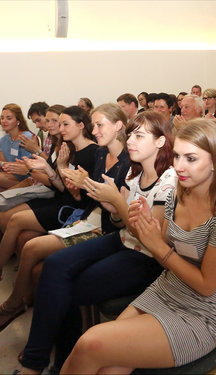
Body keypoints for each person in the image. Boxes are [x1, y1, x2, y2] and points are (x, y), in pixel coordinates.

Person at [60, 119, 216, 373]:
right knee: (105, 366)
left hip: (201, 314)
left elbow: (206, 285)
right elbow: (168, 248)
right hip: (166, 290)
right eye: (177, 156)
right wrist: (146, 226)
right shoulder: (177, 194)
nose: (179, 167)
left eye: (191, 159)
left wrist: (157, 245)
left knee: (89, 344)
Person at [14, 111, 177, 374]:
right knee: (54, 265)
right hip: (123, 239)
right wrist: (110, 204)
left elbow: (152, 239)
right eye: (132, 135)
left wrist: (115, 201)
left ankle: (43, 362)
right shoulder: (135, 175)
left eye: (139, 136)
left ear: (160, 142)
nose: (131, 141)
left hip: (146, 257)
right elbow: (119, 224)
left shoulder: (168, 181)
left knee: (63, 289)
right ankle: (44, 359)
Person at [0, 103, 130, 331]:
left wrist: (75, 180)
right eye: (95, 125)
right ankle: (18, 302)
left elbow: (82, 199)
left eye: (63, 123)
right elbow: (77, 194)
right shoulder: (99, 153)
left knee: (29, 242)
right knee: (23, 236)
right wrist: (54, 167)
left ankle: (16, 304)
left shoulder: (112, 157)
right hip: (87, 216)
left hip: (95, 223)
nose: (58, 128)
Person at [0, 106, 98, 281]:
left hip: (68, 206)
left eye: (62, 123)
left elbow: (77, 196)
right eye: (52, 121)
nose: (57, 127)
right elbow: (61, 185)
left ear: (81, 125)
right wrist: (47, 168)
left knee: (14, 221)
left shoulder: (92, 151)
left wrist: (38, 168)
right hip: (59, 197)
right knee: (10, 218)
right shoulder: (68, 146)